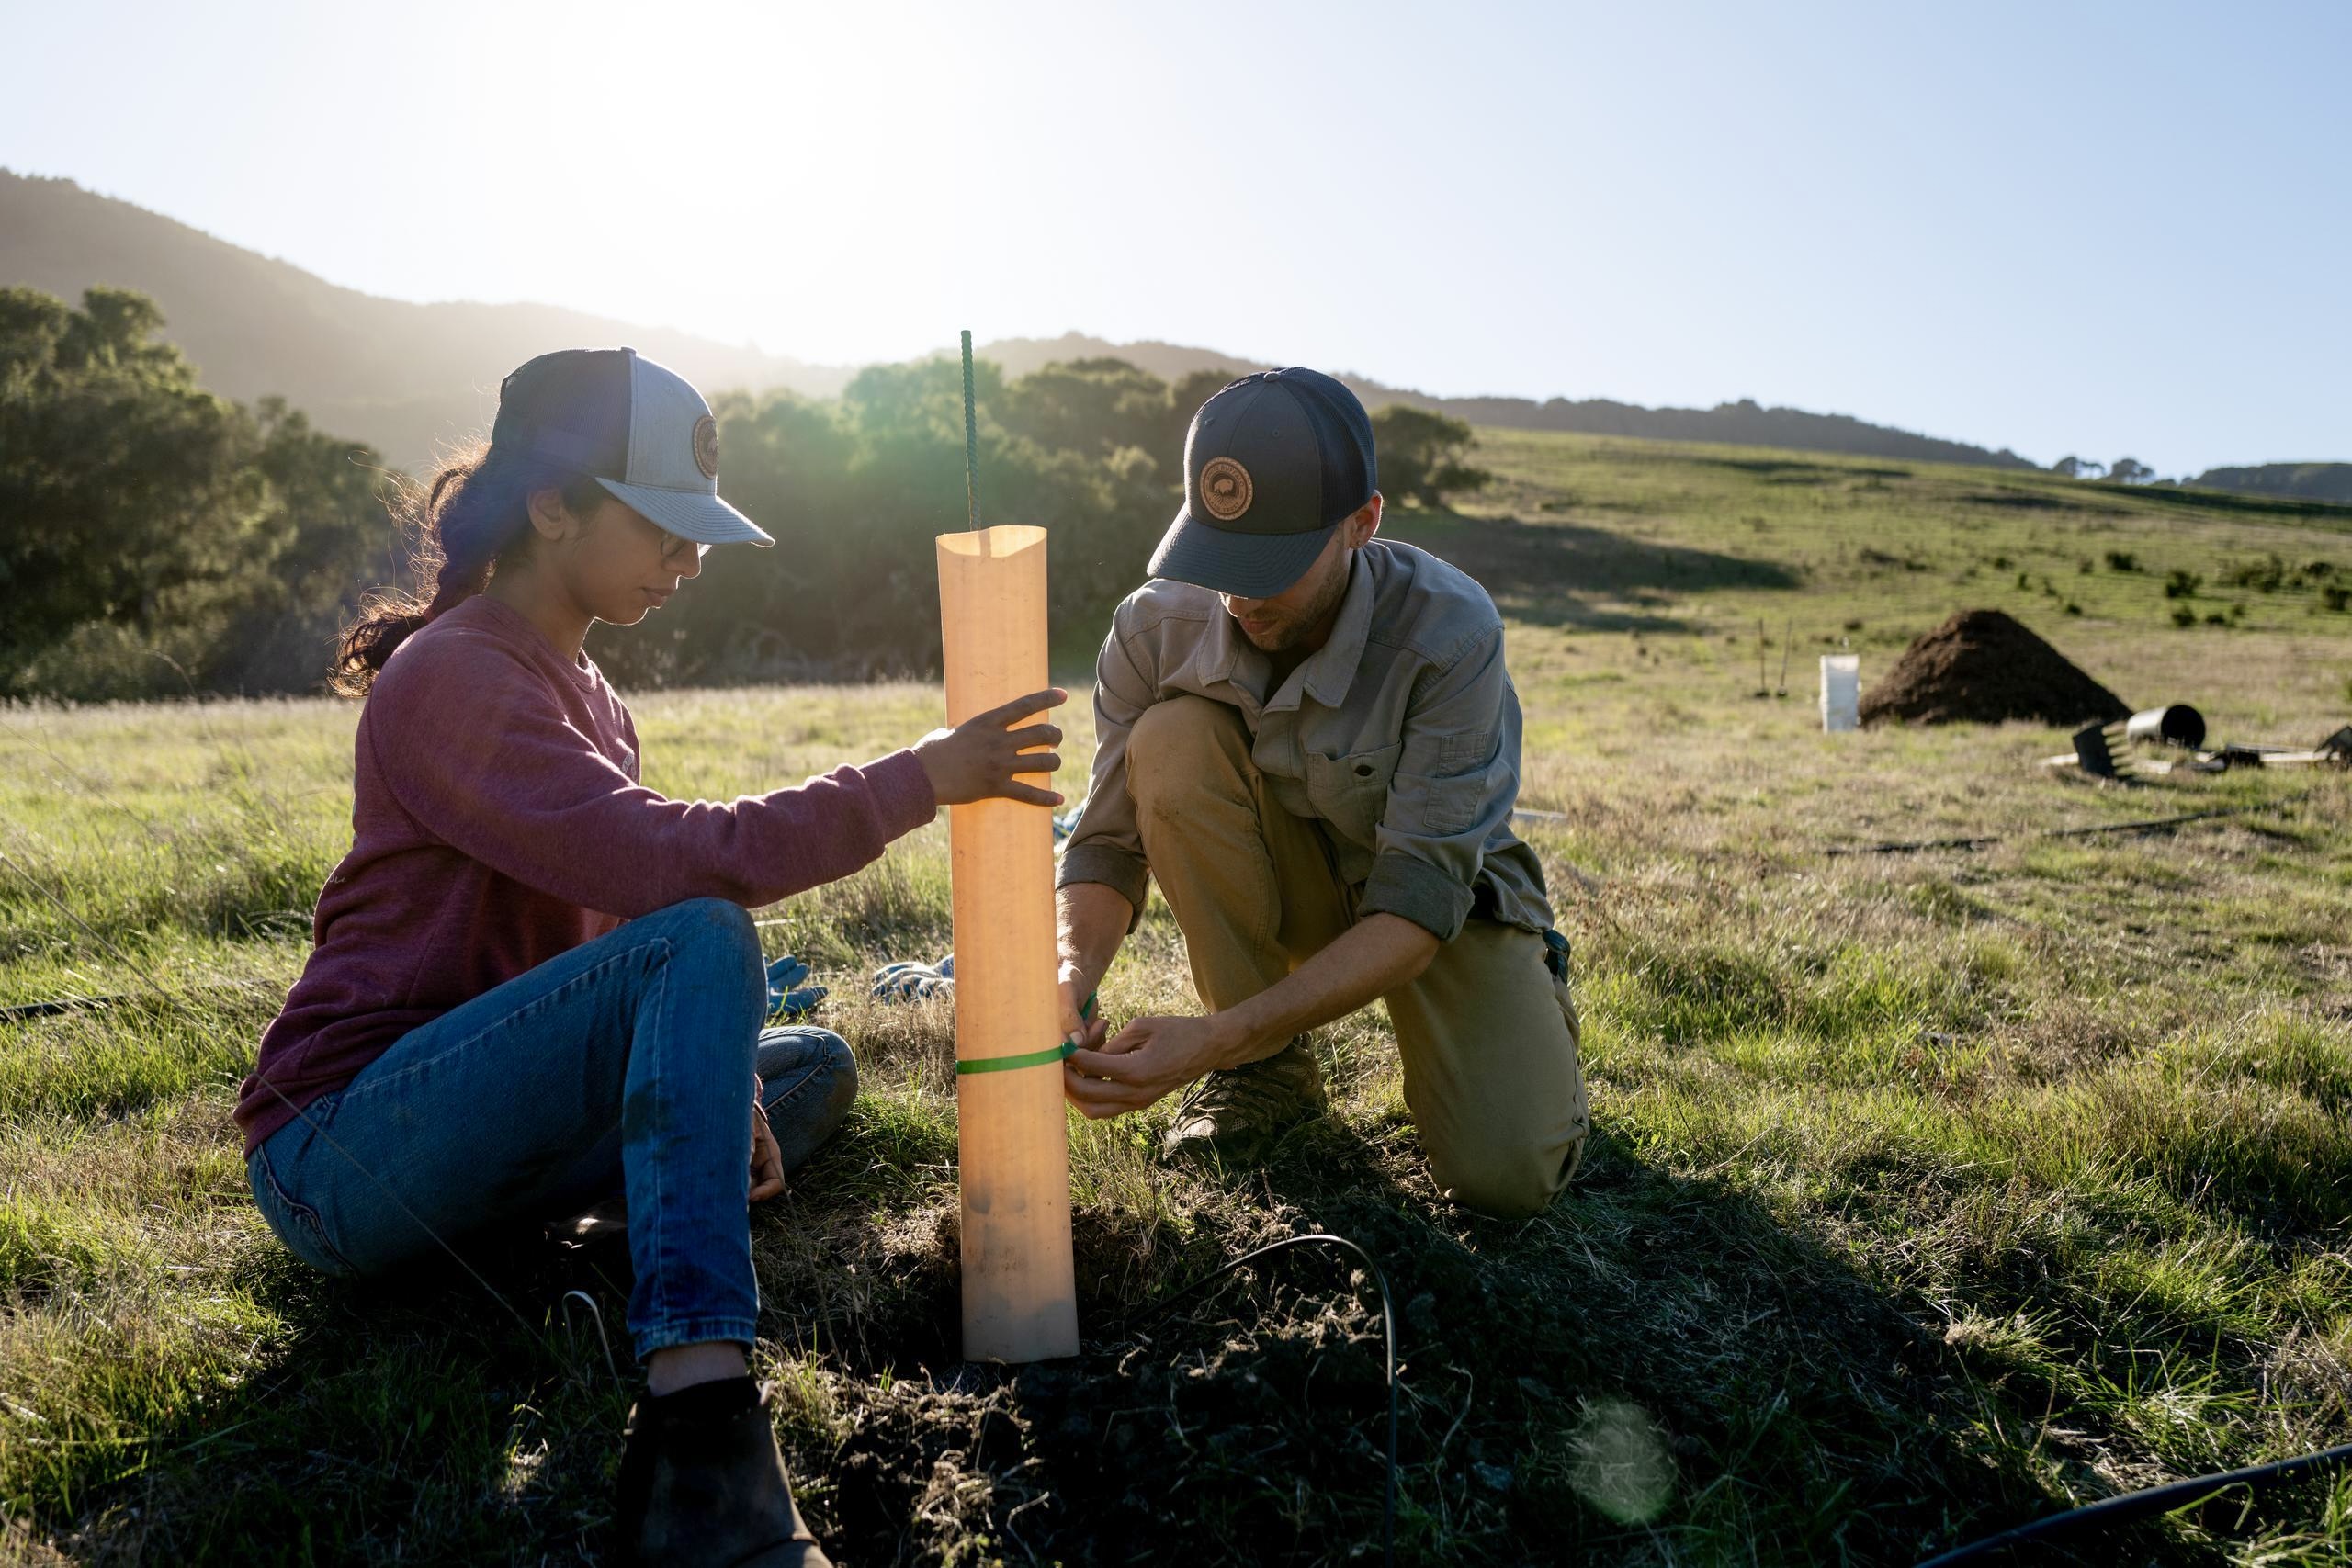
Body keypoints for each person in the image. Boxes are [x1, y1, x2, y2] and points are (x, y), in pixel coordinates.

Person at [236, 347, 1065, 1568]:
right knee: (708, 926)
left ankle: (566, 1255)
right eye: (665, 527)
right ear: (553, 505)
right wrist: (914, 779)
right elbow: (666, 870)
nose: (691, 559)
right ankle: (701, 1411)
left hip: (486, 1116)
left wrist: (723, 1085)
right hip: (345, 1144)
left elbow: (615, 925)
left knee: (807, 1067)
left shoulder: (592, 693)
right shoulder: (451, 673)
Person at [1053, 368, 1589, 1218]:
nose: (1239, 597)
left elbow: (1416, 903)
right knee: (1170, 738)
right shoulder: (1153, 628)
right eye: (1218, 559)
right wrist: (1070, 973)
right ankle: (1267, 1075)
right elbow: (1109, 843)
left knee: (1505, 1174)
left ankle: (1531, 1010)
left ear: (1362, 522)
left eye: (1272, 564)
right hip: (1288, 884)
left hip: (1435, 913)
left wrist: (1209, 1041)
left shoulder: (1450, 634)